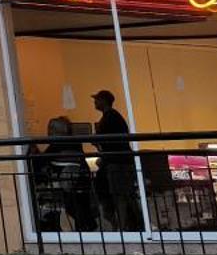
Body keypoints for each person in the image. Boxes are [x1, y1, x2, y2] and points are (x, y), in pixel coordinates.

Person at [28, 116, 96, 231]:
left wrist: (34, 152)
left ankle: (82, 232)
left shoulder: (57, 145)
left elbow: (41, 163)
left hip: (69, 186)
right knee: (81, 210)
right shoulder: (74, 143)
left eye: (50, 128)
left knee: (74, 209)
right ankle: (86, 230)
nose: (48, 132)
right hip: (82, 182)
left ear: (57, 131)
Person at [90, 90, 141, 228]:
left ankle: (126, 226)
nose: (95, 102)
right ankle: (136, 224)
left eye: (97, 99)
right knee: (125, 195)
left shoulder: (109, 117)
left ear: (104, 101)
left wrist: (98, 145)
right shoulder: (113, 117)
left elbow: (107, 142)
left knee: (121, 195)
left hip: (117, 162)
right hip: (119, 161)